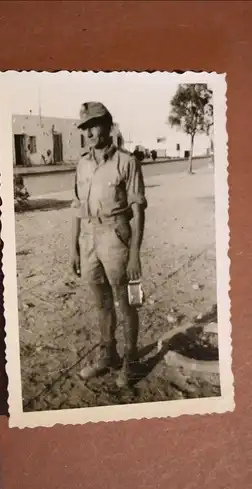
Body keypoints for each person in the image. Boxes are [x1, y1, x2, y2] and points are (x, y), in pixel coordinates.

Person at [70, 102, 147, 387]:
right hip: (89, 237)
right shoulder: (82, 163)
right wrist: (74, 248)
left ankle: (132, 360)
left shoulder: (127, 162)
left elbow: (138, 210)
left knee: (126, 300)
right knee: (101, 302)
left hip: (116, 236)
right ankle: (108, 355)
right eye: (85, 127)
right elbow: (78, 207)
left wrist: (135, 254)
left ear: (109, 126)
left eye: (95, 125)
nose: (90, 132)